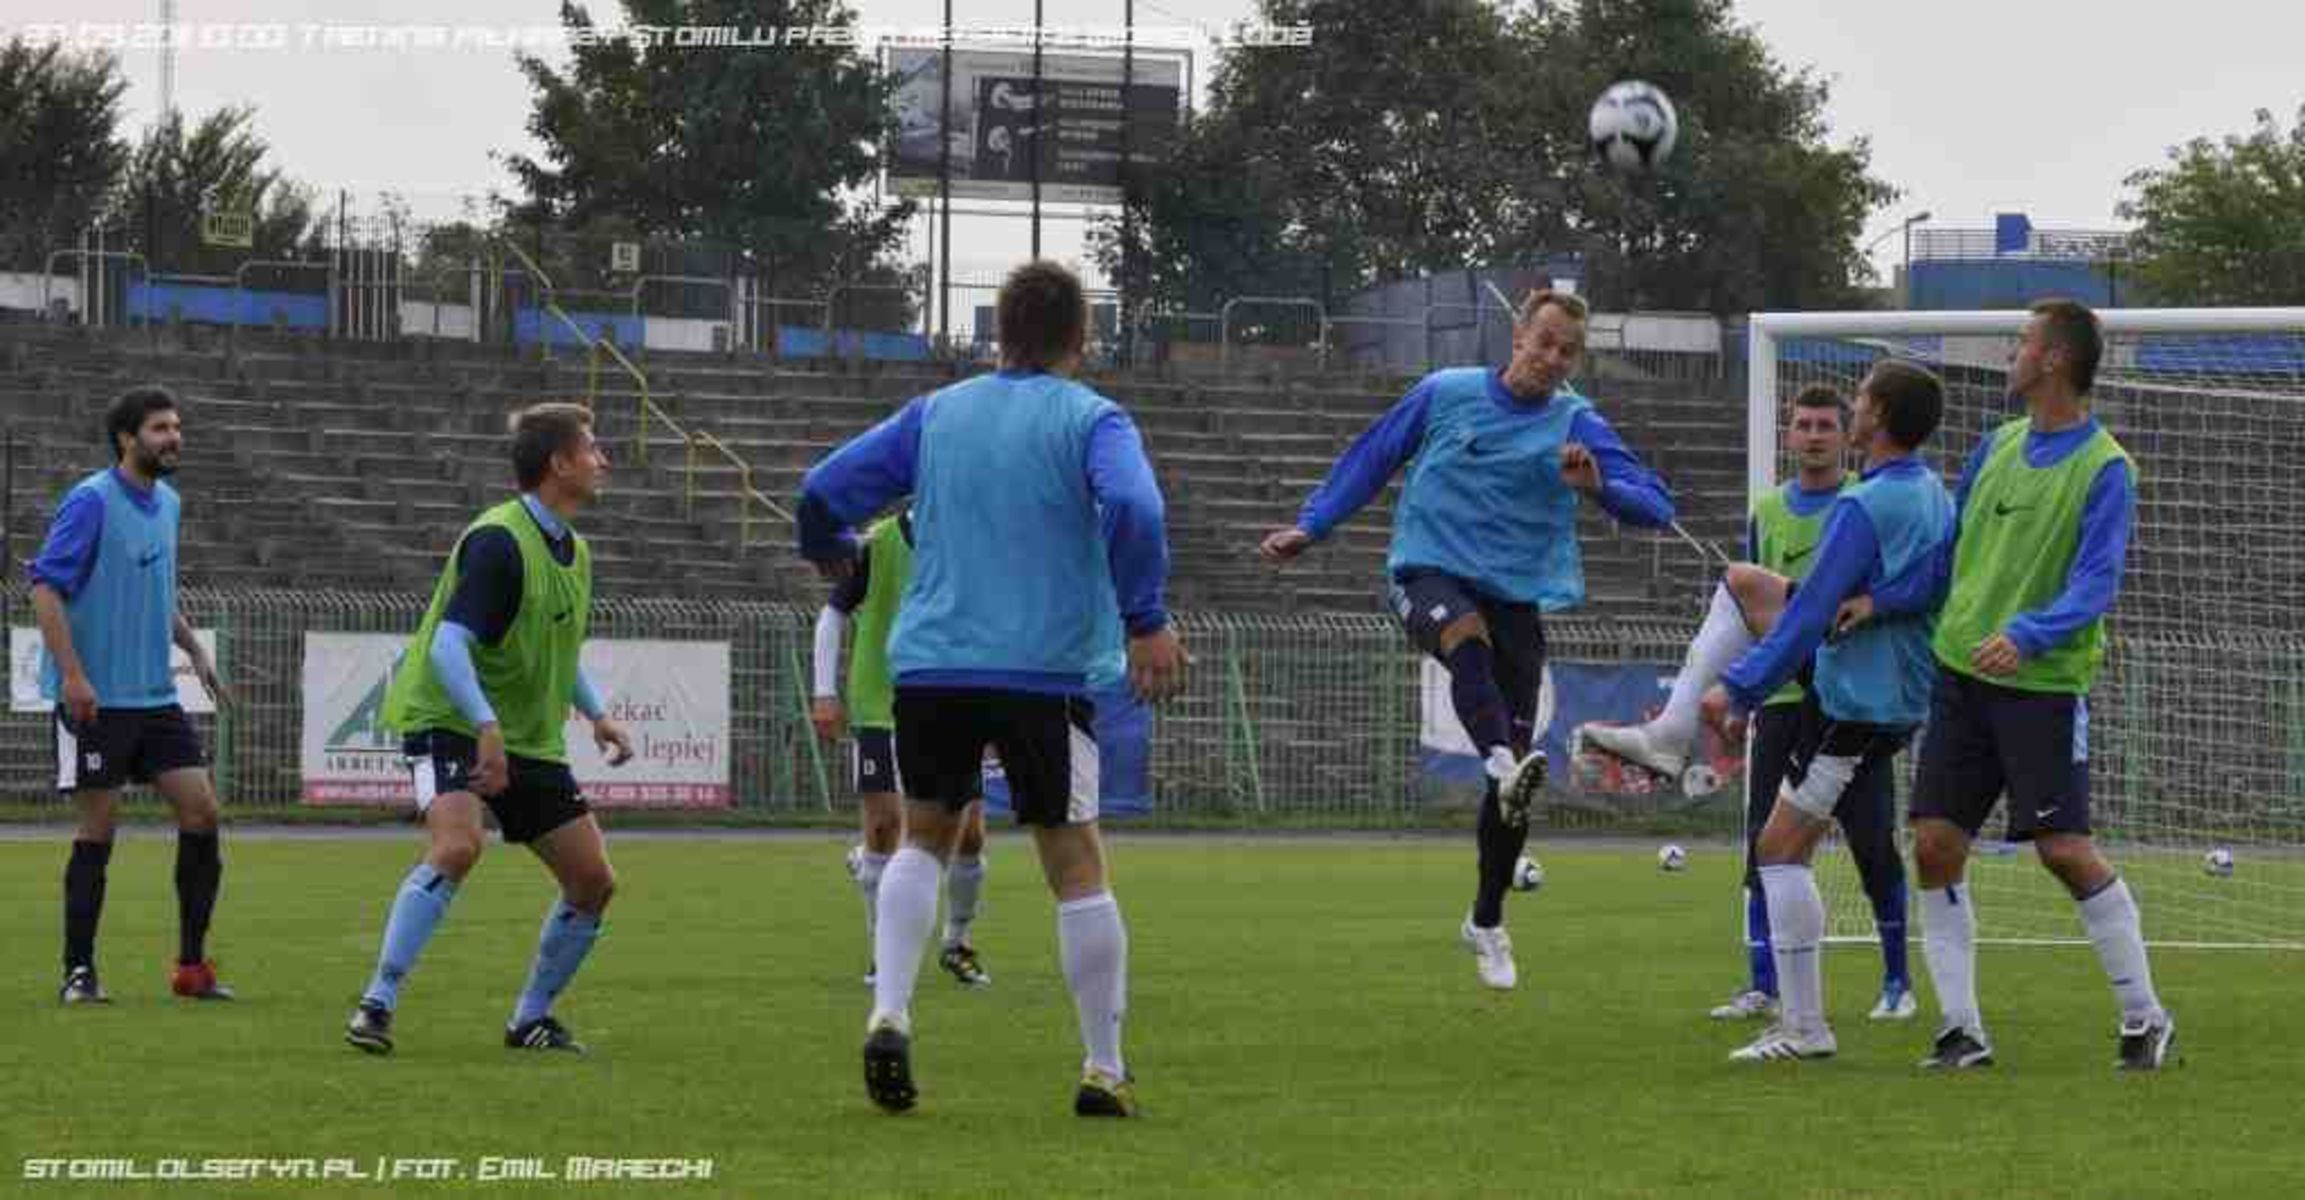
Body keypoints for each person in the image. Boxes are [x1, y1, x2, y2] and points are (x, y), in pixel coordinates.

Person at [797, 259, 1188, 1117]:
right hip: (1041, 673)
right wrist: (1146, 615)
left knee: (921, 840)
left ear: (999, 332)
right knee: (1073, 859)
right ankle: (1102, 1066)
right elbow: (1137, 508)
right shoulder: (1092, 418)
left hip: (933, 668)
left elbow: (821, 490)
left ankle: (890, 1009)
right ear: (1080, 338)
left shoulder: (936, 413)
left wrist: (824, 542)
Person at [1258, 289, 1674, 990]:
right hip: (1427, 571)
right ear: (1517, 336)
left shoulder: (1578, 423)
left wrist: (1599, 487)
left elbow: (1657, 508)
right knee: (1463, 636)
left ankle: (1485, 918)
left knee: (1511, 797)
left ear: (1577, 360)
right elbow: (1372, 456)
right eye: (1542, 342)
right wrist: (1313, 525)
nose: (1550, 359)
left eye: (1565, 351)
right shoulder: (1445, 393)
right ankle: (1500, 761)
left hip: (1516, 598)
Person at [1889, 299, 2175, 1071]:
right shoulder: (1993, 446)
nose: (2011, 353)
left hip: (2042, 685)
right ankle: (1959, 1030)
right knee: (1934, 842)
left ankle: (2144, 1016)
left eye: (2020, 343)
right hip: (1960, 674)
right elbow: (1950, 552)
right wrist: (1877, 601)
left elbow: (2095, 585)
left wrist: (2026, 634)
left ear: (2051, 360)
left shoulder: (2105, 466)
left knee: (2062, 848)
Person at [1581, 385, 1914, 1023]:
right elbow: (1756, 621)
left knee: (1873, 842)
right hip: (1785, 701)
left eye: (1825, 425)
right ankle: (1764, 983)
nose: (1813, 435)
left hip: (1850, 695)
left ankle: (1898, 981)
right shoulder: (1768, 510)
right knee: (1765, 842)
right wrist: (1745, 699)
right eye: (1803, 424)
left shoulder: (1865, 504)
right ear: (1789, 434)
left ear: (1847, 437)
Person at [1679, 361, 1954, 1062]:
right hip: (1893, 698)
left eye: (1859, 401)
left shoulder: (1863, 505)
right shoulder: (1929, 492)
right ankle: (1798, 1016)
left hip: (1856, 701)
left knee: (1778, 848)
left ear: (1879, 418)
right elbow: (1938, 578)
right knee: (1743, 580)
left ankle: (1804, 1027)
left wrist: (1736, 689)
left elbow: (1805, 617)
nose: (1849, 411)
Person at [344, 402, 634, 1057]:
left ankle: (530, 1018)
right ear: (558, 463)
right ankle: (377, 1003)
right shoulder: (499, 540)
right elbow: (449, 645)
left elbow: (558, 649)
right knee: (457, 846)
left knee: (593, 882)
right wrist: (485, 727)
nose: (602, 460)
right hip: (450, 719)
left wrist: (597, 713)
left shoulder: (575, 550)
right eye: (592, 448)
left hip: (526, 737)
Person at [30, 385, 234, 1004]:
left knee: (202, 812)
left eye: (176, 426)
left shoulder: (168, 502)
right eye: (159, 428)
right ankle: (78, 973)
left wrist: (194, 649)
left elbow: (154, 588)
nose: (174, 437)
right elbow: (44, 587)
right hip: (97, 700)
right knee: (100, 828)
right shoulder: (91, 500)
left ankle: (192, 969)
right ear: (127, 438)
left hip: (152, 697)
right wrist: (72, 676)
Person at [814, 506, 993, 990]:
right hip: (880, 701)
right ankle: (881, 952)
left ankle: (957, 943)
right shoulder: (880, 544)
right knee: (885, 826)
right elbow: (833, 613)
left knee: (969, 834)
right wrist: (824, 692)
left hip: (955, 703)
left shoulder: (976, 540)